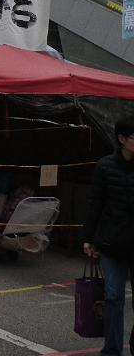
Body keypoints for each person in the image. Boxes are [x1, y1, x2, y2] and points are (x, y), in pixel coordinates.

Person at [84, 116, 134, 356]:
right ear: (122, 139)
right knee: (113, 296)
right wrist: (89, 239)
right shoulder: (105, 167)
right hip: (111, 242)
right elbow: (96, 203)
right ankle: (112, 349)